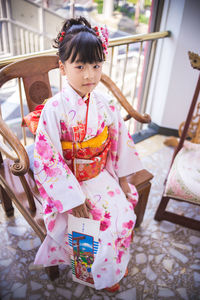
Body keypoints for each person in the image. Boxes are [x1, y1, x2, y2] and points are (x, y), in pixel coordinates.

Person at [32, 17, 143, 292]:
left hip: (100, 174)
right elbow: (47, 159)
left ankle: (112, 264)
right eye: (79, 66)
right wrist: (70, 199)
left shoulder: (104, 104)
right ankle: (92, 273)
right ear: (62, 67)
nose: (89, 75)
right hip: (70, 183)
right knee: (93, 226)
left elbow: (118, 141)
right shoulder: (53, 109)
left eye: (96, 66)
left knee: (122, 214)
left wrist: (123, 179)